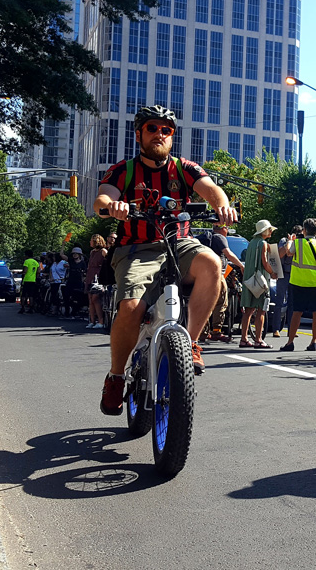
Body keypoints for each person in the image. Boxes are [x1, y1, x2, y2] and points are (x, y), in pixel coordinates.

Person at [95, 104, 237, 415]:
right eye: (152, 128)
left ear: (172, 137)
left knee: (213, 264)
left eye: (166, 130)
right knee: (131, 308)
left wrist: (222, 206)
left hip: (179, 243)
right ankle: (116, 377)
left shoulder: (184, 169)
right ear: (139, 134)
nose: (159, 134)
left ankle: (192, 343)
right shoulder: (125, 170)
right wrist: (113, 205)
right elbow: (102, 198)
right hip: (137, 248)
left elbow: (212, 190)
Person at [282, 220, 316, 352]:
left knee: (297, 312)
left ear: (304, 230)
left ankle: (290, 342)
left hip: (298, 282)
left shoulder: (297, 243)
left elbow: (289, 252)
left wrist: (290, 240)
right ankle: (313, 342)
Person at [238, 220, 275, 349]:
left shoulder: (252, 243)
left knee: (248, 310)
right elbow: (265, 263)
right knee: (261, 310)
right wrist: (273, 272)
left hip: (249, 280)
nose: (271, 232)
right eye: (269, 229)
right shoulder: (263, 244)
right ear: (265, 231)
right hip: (260, 280)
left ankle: (244, 339)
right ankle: (258, 340)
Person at [205, 224, 243, 342]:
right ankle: (216, 331)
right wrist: (241, 266)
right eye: (226, 228)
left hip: (203, 274)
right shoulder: (219, 238)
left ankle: (203, 332)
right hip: (217, 274)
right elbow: (228, 254)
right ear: (222, 228)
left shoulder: (206, 238)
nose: (227, 230)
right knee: (221, 302)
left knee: (205, 303)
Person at [270, 225, 298, 334]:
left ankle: (291, 330)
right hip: (283, 274)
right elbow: (281, 254)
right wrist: (289, 242)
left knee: (292, 304)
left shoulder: (302, 244)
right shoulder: (284, 240)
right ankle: (276, 328)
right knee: (279, 302)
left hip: (295, 274)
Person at [85, 235, 109, 328]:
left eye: (91, 241)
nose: (90, 242)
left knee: (96, 298)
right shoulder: (92, 252)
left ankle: (101, 321)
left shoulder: (103, 251)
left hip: (98, 276)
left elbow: (107, 263)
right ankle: (92, 320)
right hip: (90, 275)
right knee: (90, 300)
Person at [65, 247, 86, 318]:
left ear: (79, 254)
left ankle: (75, 311)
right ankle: (67, 311)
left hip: (78, 281)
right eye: (73, 254)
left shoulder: (82, 263)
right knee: (66, 295)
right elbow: (62, 255)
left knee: (77, 297)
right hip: (70, 280)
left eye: (76, 254)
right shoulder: (71, 261)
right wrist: (63, 245)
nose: (74, 255)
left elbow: (84, 273)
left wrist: (84, 281)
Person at [19, 249, 40, 314]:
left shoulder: (27, 261)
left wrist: (21, 273)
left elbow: (25, 271)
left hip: (26, 280)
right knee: (31, 295)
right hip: (33, 280)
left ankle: (22, 308)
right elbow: (38, 271)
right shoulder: (36, 262)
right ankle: (31, 308)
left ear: (26, 255)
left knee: (23, 295)